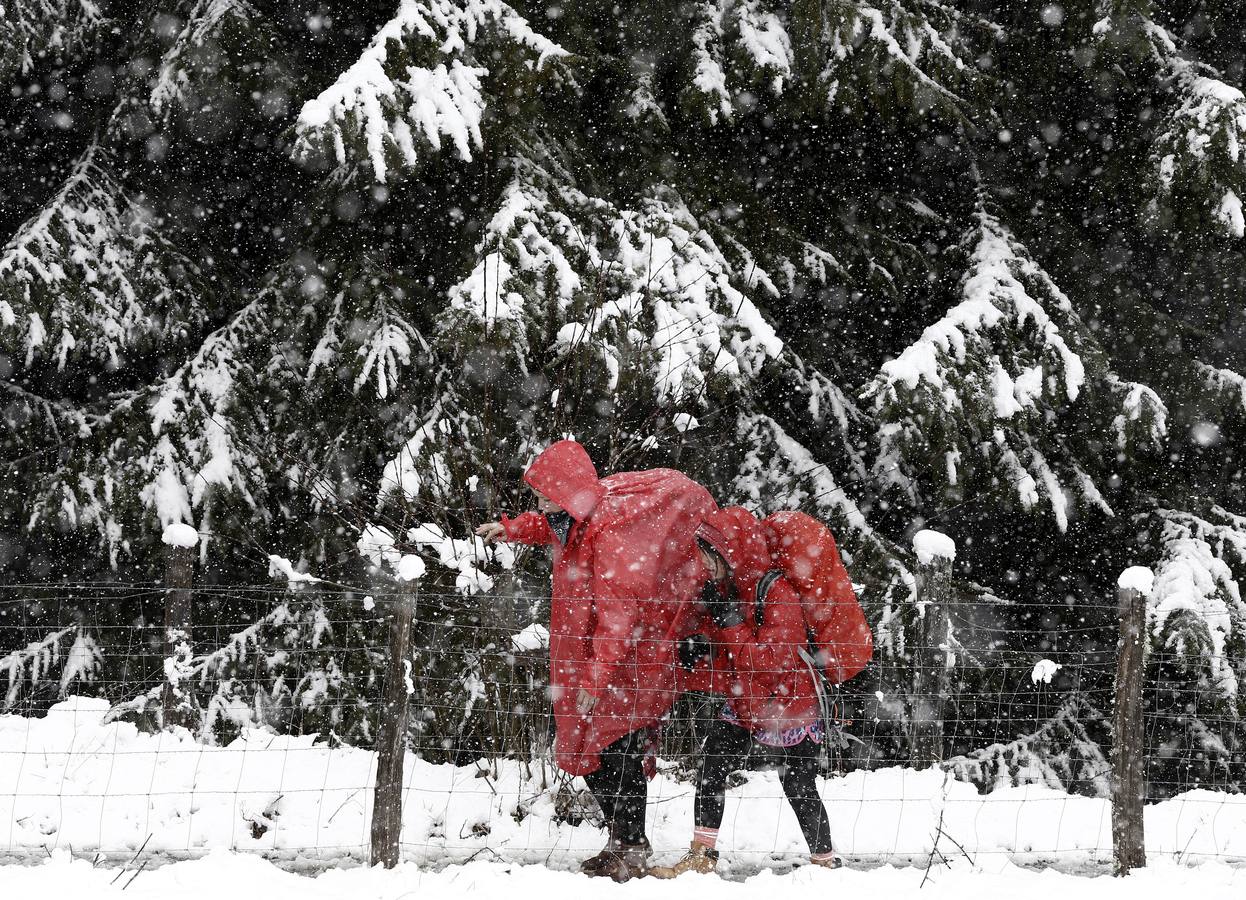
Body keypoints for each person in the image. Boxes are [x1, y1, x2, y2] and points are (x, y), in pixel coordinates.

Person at [477, 439, 715, 881]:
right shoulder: (574, 515)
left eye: (548, 493)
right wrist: (511, 528)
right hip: (591, 657)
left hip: (623, 664)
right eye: (540, 495)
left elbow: (619, 616)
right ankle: (623, 842)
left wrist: (595, 679)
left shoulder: (607, 530)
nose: (542, 502)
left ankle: (630, 845)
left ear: (569, 489)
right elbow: (549, 525)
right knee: (589, 747)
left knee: (616, 750)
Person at [648, 506, 841, 878]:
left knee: (797, 782)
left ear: (730, 551)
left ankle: (826, 864)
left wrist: (731, 624)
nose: (704, 562)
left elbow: (771, 663)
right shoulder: (731, 588)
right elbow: (732, 661)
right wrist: (700, 646)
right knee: (711, 766)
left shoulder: (777, 592)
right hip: (748, 700)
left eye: (709, 553)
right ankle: (702, 855)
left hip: (790, 703)